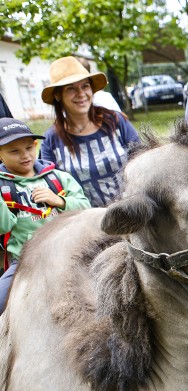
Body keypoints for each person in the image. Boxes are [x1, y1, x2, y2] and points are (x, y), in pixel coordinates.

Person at [0, 118, 91, 313]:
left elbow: (86, 209)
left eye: (28, 148)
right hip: (25, 262)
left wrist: (60, 201)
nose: (25, 155)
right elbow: (4, 226)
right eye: (14, 151)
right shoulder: (2, 186)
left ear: (35, 145)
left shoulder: (58, 178)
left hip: (71, 251)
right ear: (0, 154)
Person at [40, 56, 140, 207]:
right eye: (71, 88)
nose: (81, 94)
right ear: (57, 95)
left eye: (85, 86)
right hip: (84, 222)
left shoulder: (116, 122)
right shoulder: (51, 139)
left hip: (131, 211)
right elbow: (48, 183)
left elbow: (142, 156)